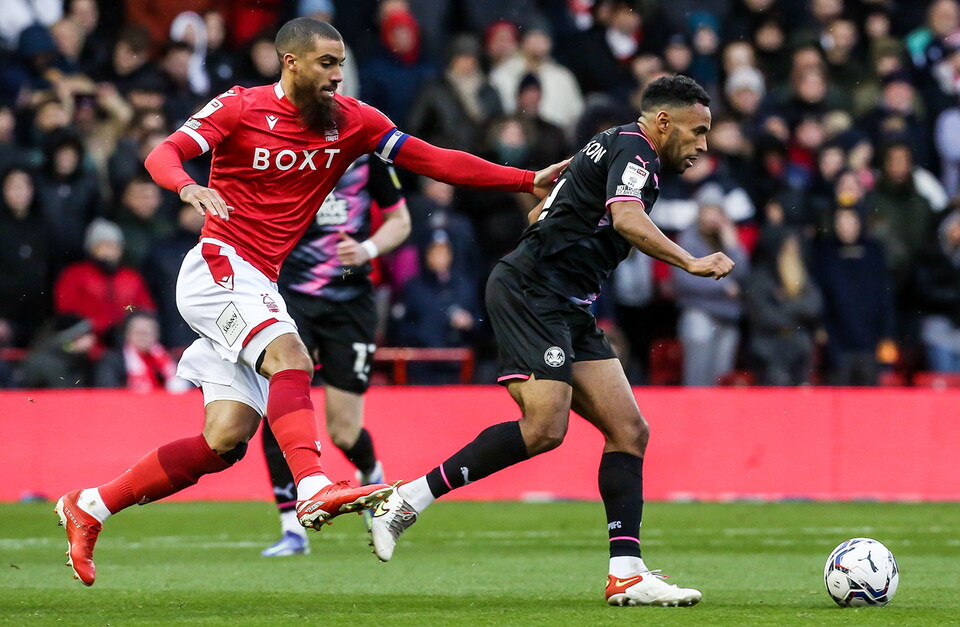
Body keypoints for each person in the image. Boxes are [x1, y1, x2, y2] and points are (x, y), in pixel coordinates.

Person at [55, 17, 564, 587]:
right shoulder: (240, 107)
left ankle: (91, 506)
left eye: (341, 63)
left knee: (223, 441)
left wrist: (524, 180)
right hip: (219, 266)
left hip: (261, 281)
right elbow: (163, 154)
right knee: (292, 359)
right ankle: (315, 486)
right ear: (290, 61)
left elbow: (432, 158)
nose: (337, 75)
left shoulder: (353, 121)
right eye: (326, 63)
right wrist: (189, 187)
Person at [371, 75, 733, 607]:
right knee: (545, 427)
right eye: (698, 130)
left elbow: (546, 210)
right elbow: (627, 219)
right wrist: (691, 260)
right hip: (533, 291)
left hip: (568, 303)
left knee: (629, 430)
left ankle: (627, 574)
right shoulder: (636, 151)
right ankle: (405, 501)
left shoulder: (613, 143)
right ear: (663, 122)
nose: (704, 144)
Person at [261, 152, 411, 557]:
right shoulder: (289, 155)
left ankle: (371, 472)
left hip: (350, 305)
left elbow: (401, 221)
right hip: (290, 299)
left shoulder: (369, 161)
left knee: (344, 431)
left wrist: (366, 249)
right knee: (279, 406)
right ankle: (292, 528)